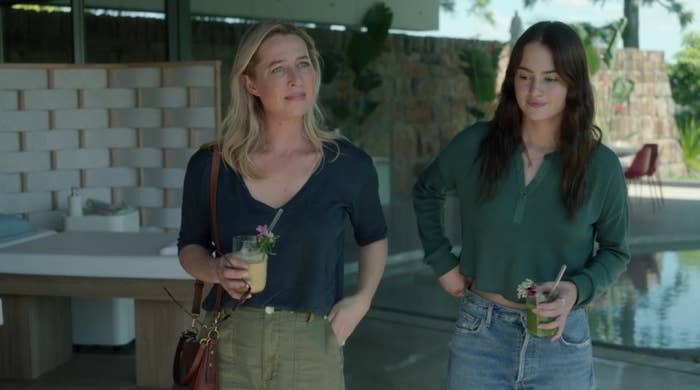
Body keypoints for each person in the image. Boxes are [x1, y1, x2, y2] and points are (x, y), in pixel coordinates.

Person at [413, 21, 630, 389]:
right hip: (480, 335)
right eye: (525, 76)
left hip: (561, 339)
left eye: (551, 78)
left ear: (573, 84)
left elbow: (615, 251)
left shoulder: (600, 166)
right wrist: (442, 260)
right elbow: (426, 190)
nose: (535, 90)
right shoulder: (476, 145)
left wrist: (576, 290)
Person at [178, 20, 388, 390]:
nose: (296, 77)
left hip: (311, 343)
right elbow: (189, 247)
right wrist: (214, 270)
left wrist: (362, 300)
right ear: (250, 84)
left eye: (303, 63)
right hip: (228, 337)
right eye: (279, 68)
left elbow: (374, 236)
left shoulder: (348, 165)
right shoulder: (211, 165)